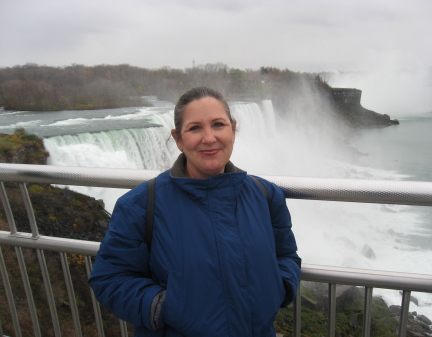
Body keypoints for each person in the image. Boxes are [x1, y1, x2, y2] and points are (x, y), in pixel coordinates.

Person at [89, 87, 301, 337]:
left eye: (218, 124)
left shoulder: (265, 195)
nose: (209, 138)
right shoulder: (140, 205)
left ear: (233, 129)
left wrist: (278, 288)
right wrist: (166, 307)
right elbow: (110, 279)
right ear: (178, 139)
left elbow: (286, 256)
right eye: (195, 128)